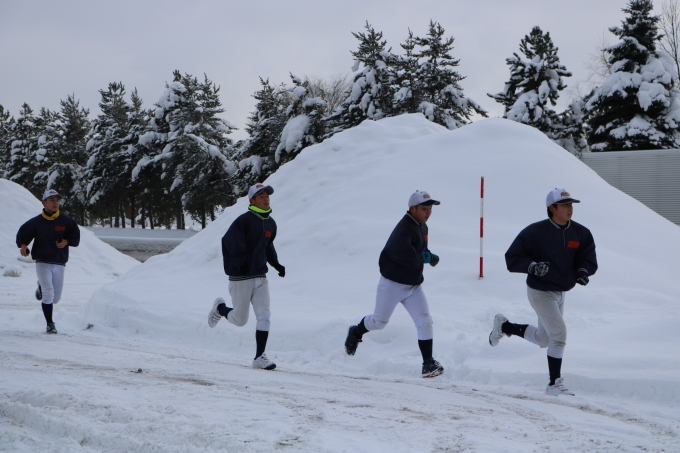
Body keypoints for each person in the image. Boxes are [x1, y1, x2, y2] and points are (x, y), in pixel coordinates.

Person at [489, 188, 597, 396]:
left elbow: (587, 258)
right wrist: (532, 266)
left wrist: (583, 271)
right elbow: (512, 258)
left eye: (571, 204)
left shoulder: (580, 233)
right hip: (539, 291)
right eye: (564, 205)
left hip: (560, 291)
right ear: (552, 208)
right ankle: (554, 384)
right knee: (559, 334)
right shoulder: (535, 232)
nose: (570, 208)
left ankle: (504, 326)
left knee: (544, 339)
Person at [345, 190, 444, 378]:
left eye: (430, 208)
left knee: (425, 321)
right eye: (424, 208)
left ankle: (428, 364)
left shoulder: (422, 226)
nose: (428, 212)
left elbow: (420, 250)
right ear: (412, 209)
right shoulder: (403, 229)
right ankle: (356, 332)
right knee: (379, 322)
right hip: (392, 284)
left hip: (413, 285)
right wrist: (424, 257)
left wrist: (428, 255)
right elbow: (404, 255)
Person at [207, 183, 286, 370]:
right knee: (240, 320)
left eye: (267, 196)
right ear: (252, 201)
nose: (266, 199)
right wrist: (239, 261)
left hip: (260, 276)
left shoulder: (271, 223)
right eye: (261, 196)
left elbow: (268, 246)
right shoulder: (244, 221)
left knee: (264, 316)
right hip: (241, 277)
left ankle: (259, 357)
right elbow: (230, 241)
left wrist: (276, 264)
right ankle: (220, 308)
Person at [16, 189, 81, 334]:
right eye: (51, 200)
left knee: (55, 298)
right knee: (48, 294)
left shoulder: (66, 221)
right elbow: (23, 234)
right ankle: (50, 324)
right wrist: (23, 245)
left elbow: (75, 237)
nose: (55, 203)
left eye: (57, 200)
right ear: (43, 202)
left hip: (59, 262)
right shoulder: (37, 222)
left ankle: (40, 286)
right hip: (42, 261)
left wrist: (66, 241)